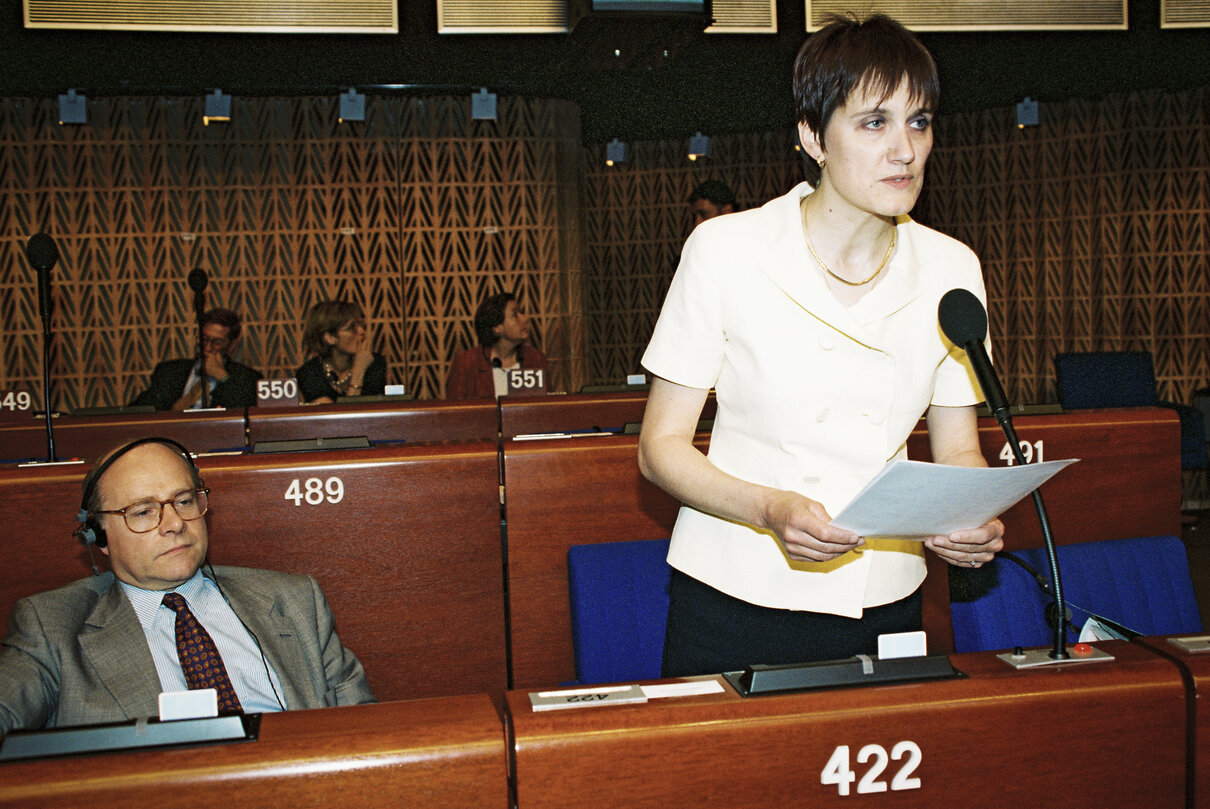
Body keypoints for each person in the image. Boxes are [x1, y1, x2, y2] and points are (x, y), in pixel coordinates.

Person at [638, 13, 1005, 678]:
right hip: (732, 594)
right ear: (812, 136)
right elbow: (659, 448)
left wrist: (968, 517)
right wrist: (769, 507)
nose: (905, 149)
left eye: (919, 122)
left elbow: (959, 450)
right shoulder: (725, 250)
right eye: (875, 122)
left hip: (886, 595)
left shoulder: (953, 267)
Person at [0, 437, 375, 735]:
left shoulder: (293, 600)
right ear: (99, 535)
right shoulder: (51, 626)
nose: (175, 523)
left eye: (183, 500)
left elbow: (363, 730)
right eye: (144, 511)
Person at [129, 308, 262, 411]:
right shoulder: (169, 371)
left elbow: (243, 413)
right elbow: (141, 410)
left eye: (217, 342)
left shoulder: (247, 378)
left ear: (232, 345)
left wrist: (222, 377)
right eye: (204, 339)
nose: (208, 348)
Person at [446, 291, 550, 399]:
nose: (525, 318)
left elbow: (545, 409)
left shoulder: (536, 359)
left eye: (521, 312)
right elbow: (454, 412)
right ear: (497, 327)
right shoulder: (466, 364)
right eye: (515, 315)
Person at [296, 300, 387, 404]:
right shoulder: (310, 373)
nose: (361, 331)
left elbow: (370, 414)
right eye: (351, 328)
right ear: (330, 338)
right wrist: (358, 373)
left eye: (361, 325)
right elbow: (335, 418)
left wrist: (361, 367)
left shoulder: (374, 363)